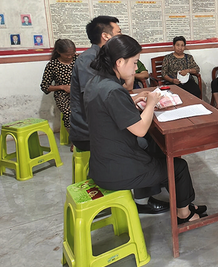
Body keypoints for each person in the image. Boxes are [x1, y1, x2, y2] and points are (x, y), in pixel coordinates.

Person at [84, 35, 207, 224]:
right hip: (116, 169)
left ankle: (183, 203)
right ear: (119, 62)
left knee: (157, 149)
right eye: (134, 63)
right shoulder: (113, 90)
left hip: (102, 162)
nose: (135, 68)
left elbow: (109, 108)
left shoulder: (95, 82)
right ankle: (184, 214)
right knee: (178, 166)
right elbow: (140, 129)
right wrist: (151, 103)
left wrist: (132, 100)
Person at [70, 16, 166, 215]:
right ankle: (144, 193)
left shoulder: (103, 60)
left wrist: (131, 98)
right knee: (145, 141)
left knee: (149, 140)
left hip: (98, 123)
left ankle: (148, 187)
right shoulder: (91, 59)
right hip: (89, 130)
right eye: (119, 33)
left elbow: (108, 96)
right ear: (107, 37)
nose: (121, 36)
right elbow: (99, 99)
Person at [40, 38, 77, 130]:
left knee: (90, 109)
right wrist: (62, 87)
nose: (70, 56)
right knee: (69, 112)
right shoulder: (53, 65)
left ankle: (89, 136)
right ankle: (74, 136)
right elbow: (45, 86)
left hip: (79, 92)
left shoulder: (79, 60)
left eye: (72, 54)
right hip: (63, 95)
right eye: (67, 55)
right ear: (59, 52)